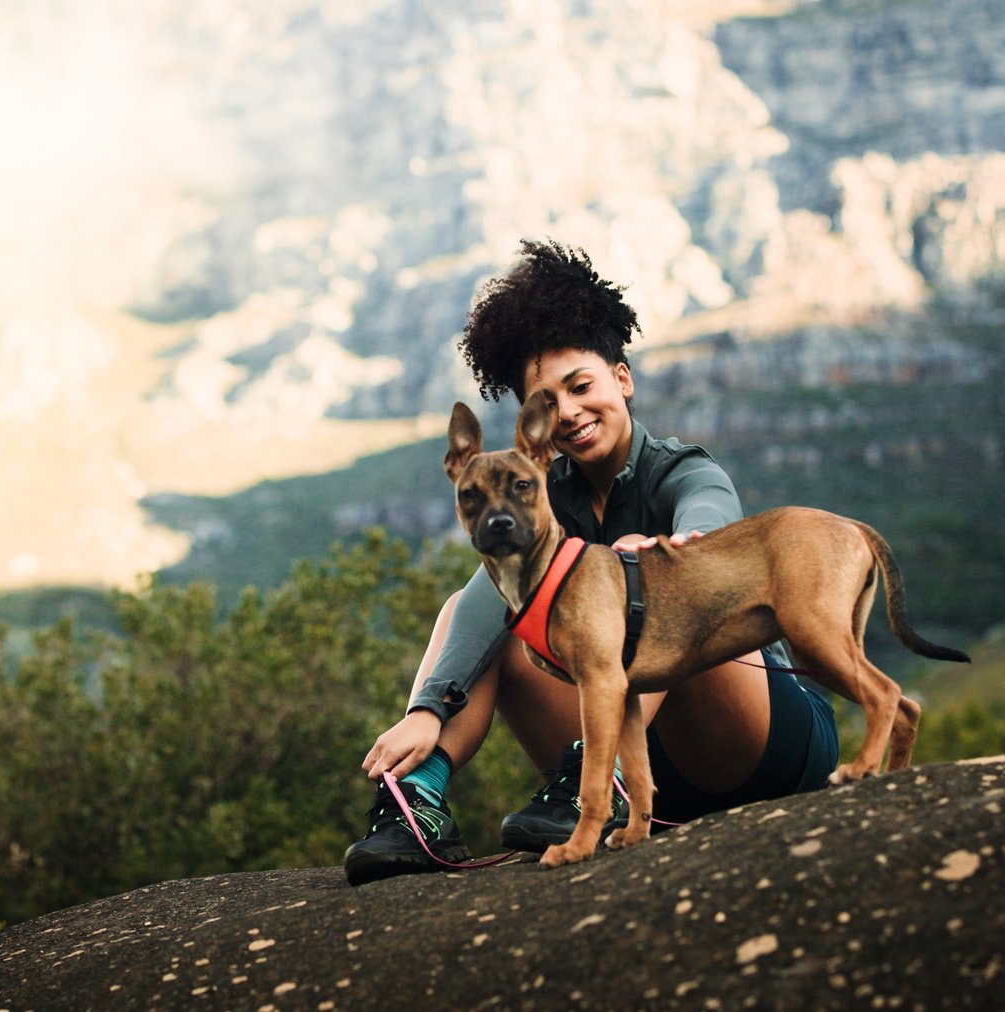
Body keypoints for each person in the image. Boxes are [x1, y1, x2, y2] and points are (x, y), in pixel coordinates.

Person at [343, 239, 840, 885]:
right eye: (550, 403)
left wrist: (672, 551)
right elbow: (478, 605)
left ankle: (592, 784)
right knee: (492, 605)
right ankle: (416, 806)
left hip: (760, 742)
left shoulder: (681, 471)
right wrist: (426, 710)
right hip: (651, 764)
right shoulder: (542, 499)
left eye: (583, 386)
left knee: (647, 595)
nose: (571, 412)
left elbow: (710, 515)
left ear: (622, 378)